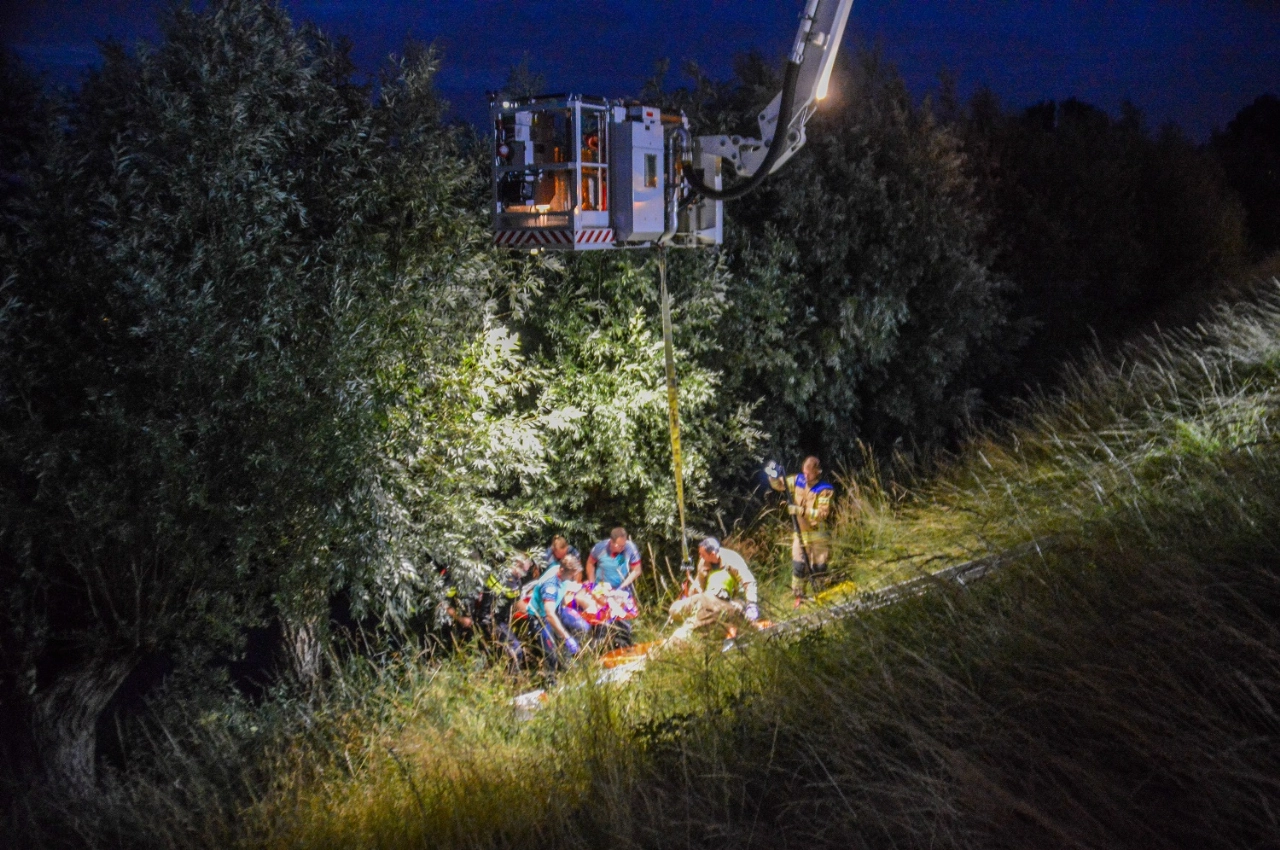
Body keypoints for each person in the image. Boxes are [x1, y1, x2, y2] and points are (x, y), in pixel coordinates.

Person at [768, 455, 834, 607]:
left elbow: (822, 514)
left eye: (809, 473)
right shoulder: (798, 480)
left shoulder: (825, 489)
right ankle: (799, 598)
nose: (805, 476)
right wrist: (773, 476)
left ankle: (821, 597)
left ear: (817, 472)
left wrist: (800, 511)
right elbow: (780, 485)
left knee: (819, 569)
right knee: (798, 567)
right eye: (804, 472)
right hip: (801, 534)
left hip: (818, 535)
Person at [667, 537, 759, 642]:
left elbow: (748, 581)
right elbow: (698, 583)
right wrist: (688, 597)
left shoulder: (732, 559)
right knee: (674, 608)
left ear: (712, 554)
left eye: (703, 554)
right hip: (705, 598)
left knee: (698, 621)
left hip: (726, 600)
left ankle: (679, 638)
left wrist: (751, 603)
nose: (700, 556)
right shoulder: (703, 562)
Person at [527, 553, 590, 674]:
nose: (573, 576)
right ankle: (551, 678)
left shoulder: (559, 569)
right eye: (571, 574)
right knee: (551, 654)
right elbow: (549, 614)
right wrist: (567, 637)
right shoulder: (550, 585)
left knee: (582, 627)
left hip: (558, 608)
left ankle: (566, 656)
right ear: (562, 570)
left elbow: (565, 588)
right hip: (541, 618)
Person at [587, 527, 643, 647]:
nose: (623, 548)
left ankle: (623, 645)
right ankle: (600, 647)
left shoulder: (630, 548)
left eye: (624, 545)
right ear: (611, 542)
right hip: (602, 589)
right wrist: (592, 585)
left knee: (622, 621)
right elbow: (590, 564)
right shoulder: (599, 548)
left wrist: (623, 586)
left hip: (621, 589)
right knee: (601, 622)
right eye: (620, 545)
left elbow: (637, 570)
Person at [477, 553, 535, 665]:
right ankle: (513, 675)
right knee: (516, 651)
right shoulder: (504, 578)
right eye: (523, 571)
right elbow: (519, 605)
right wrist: (537, 613)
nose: (523, 575)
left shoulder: (515, 580)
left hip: (502, 620)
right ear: (516, 564)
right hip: (491, 620)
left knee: (499, 655)